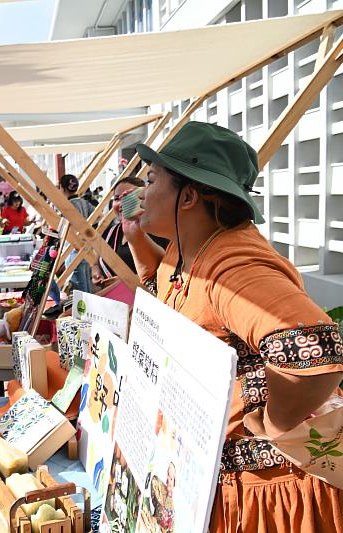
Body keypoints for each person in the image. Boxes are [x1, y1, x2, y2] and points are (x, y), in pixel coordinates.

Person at [125, 121, 343, 533]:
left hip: (270, 493)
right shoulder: (190, 245)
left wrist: (276, 423)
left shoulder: (232, 265)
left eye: (152, 180)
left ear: (188, 196)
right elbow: (174, 294)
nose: (141, 192)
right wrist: (137, 239)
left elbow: (315, 348)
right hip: (225, 484)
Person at [91, 176, 169, 288]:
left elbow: (166, 272)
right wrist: (96, 270)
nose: (122, 204)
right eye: (117, 198)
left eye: (128, 198)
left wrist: (126, 281)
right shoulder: (110, 232)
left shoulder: (158, 231)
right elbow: (97, 258)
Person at [59, 173, 95, 294]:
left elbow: (62, 228)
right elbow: (99, 215)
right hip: (86, 247)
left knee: (79, 291)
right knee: (87, 288)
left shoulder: (66, 206)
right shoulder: (84, 202)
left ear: (62, 188)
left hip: (72, 249)